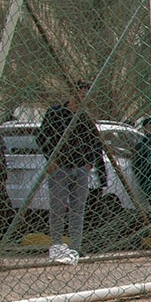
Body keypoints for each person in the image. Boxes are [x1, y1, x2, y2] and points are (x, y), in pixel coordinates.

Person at [40, 80, 101, 264]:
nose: (82, 97)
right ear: (73, 94)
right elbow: (42, 137)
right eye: (80, 93)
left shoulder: (85, 117)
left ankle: (75, 247)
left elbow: (94, 141)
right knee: (57, 209)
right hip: (60, 167)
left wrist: (89, 162)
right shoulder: (56, 113)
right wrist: (50, 159)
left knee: (78, 210)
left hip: (80, 168)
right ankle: (57, 246)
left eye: (85, 95)